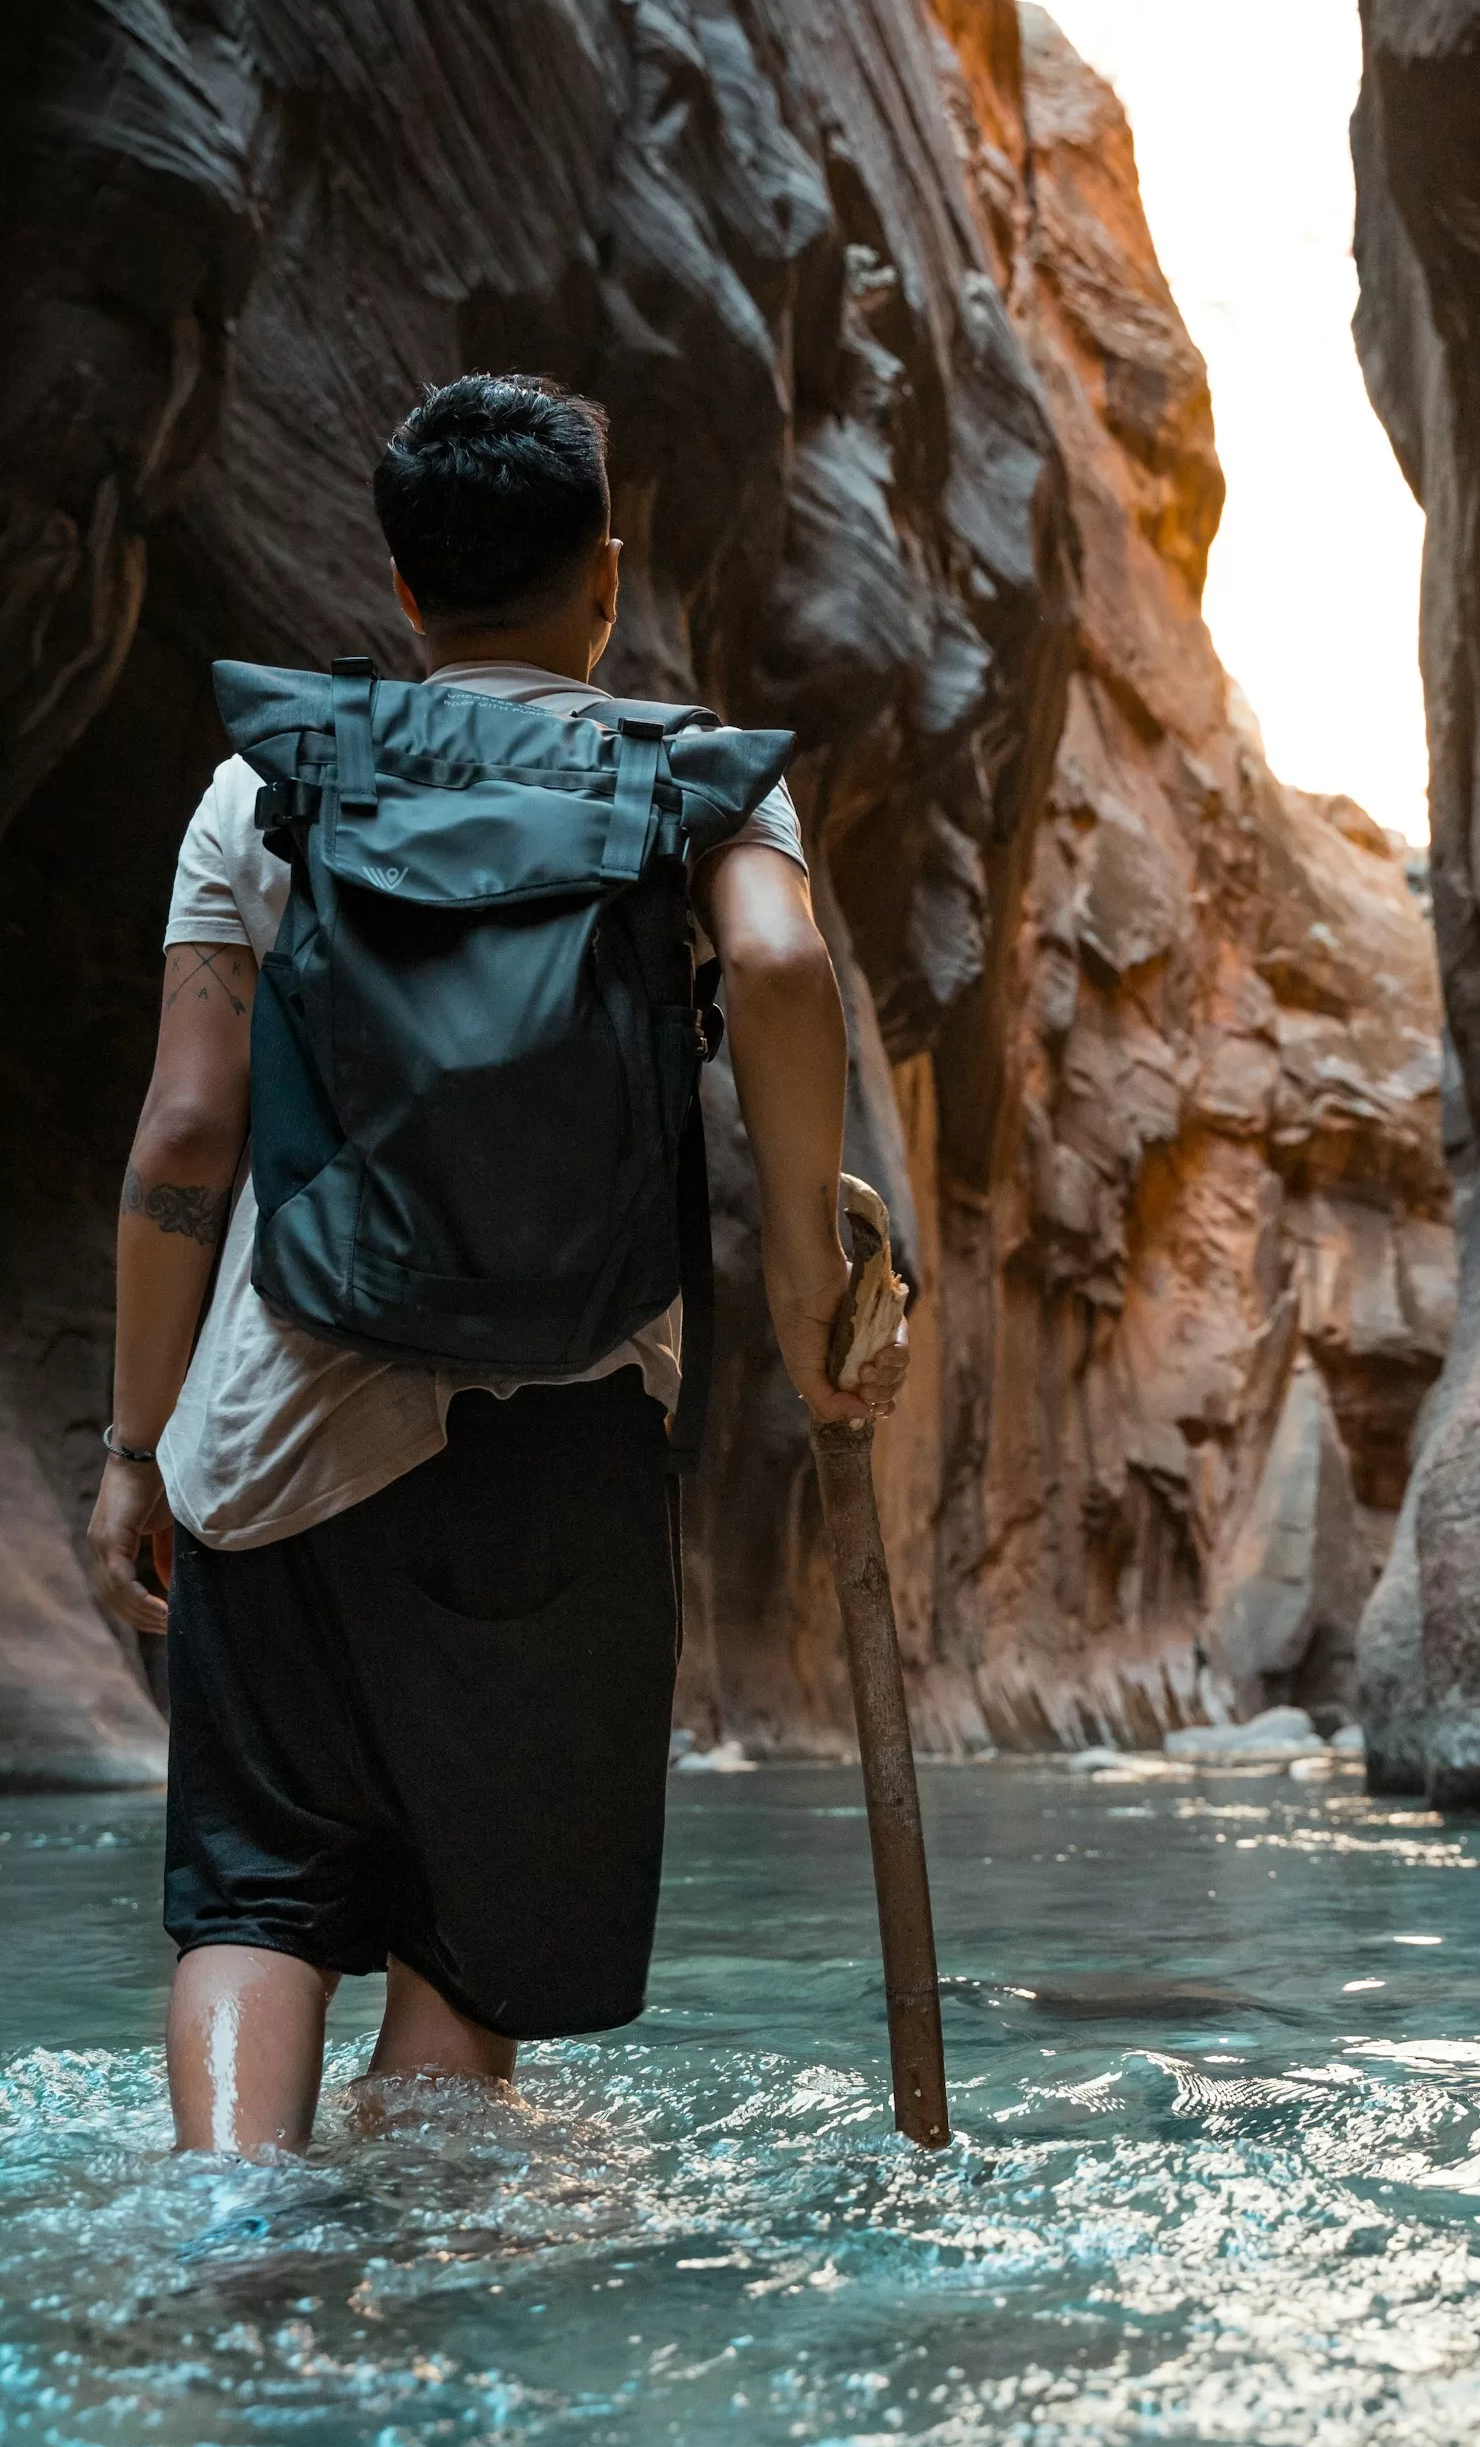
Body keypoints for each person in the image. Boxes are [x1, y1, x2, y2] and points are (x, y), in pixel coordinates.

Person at [86, 374, 906, 2158]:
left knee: (254, 1901)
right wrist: (799, 1274)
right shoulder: (695, 785)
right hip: (569, 1433)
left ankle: (232, 2260)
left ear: (401, 589)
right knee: (469, 1958)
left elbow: (183, 1135)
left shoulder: (268, 789)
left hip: (283, 1420)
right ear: (605, 578)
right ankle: (430, 2304)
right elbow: (774, 974)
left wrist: (131, 1450)